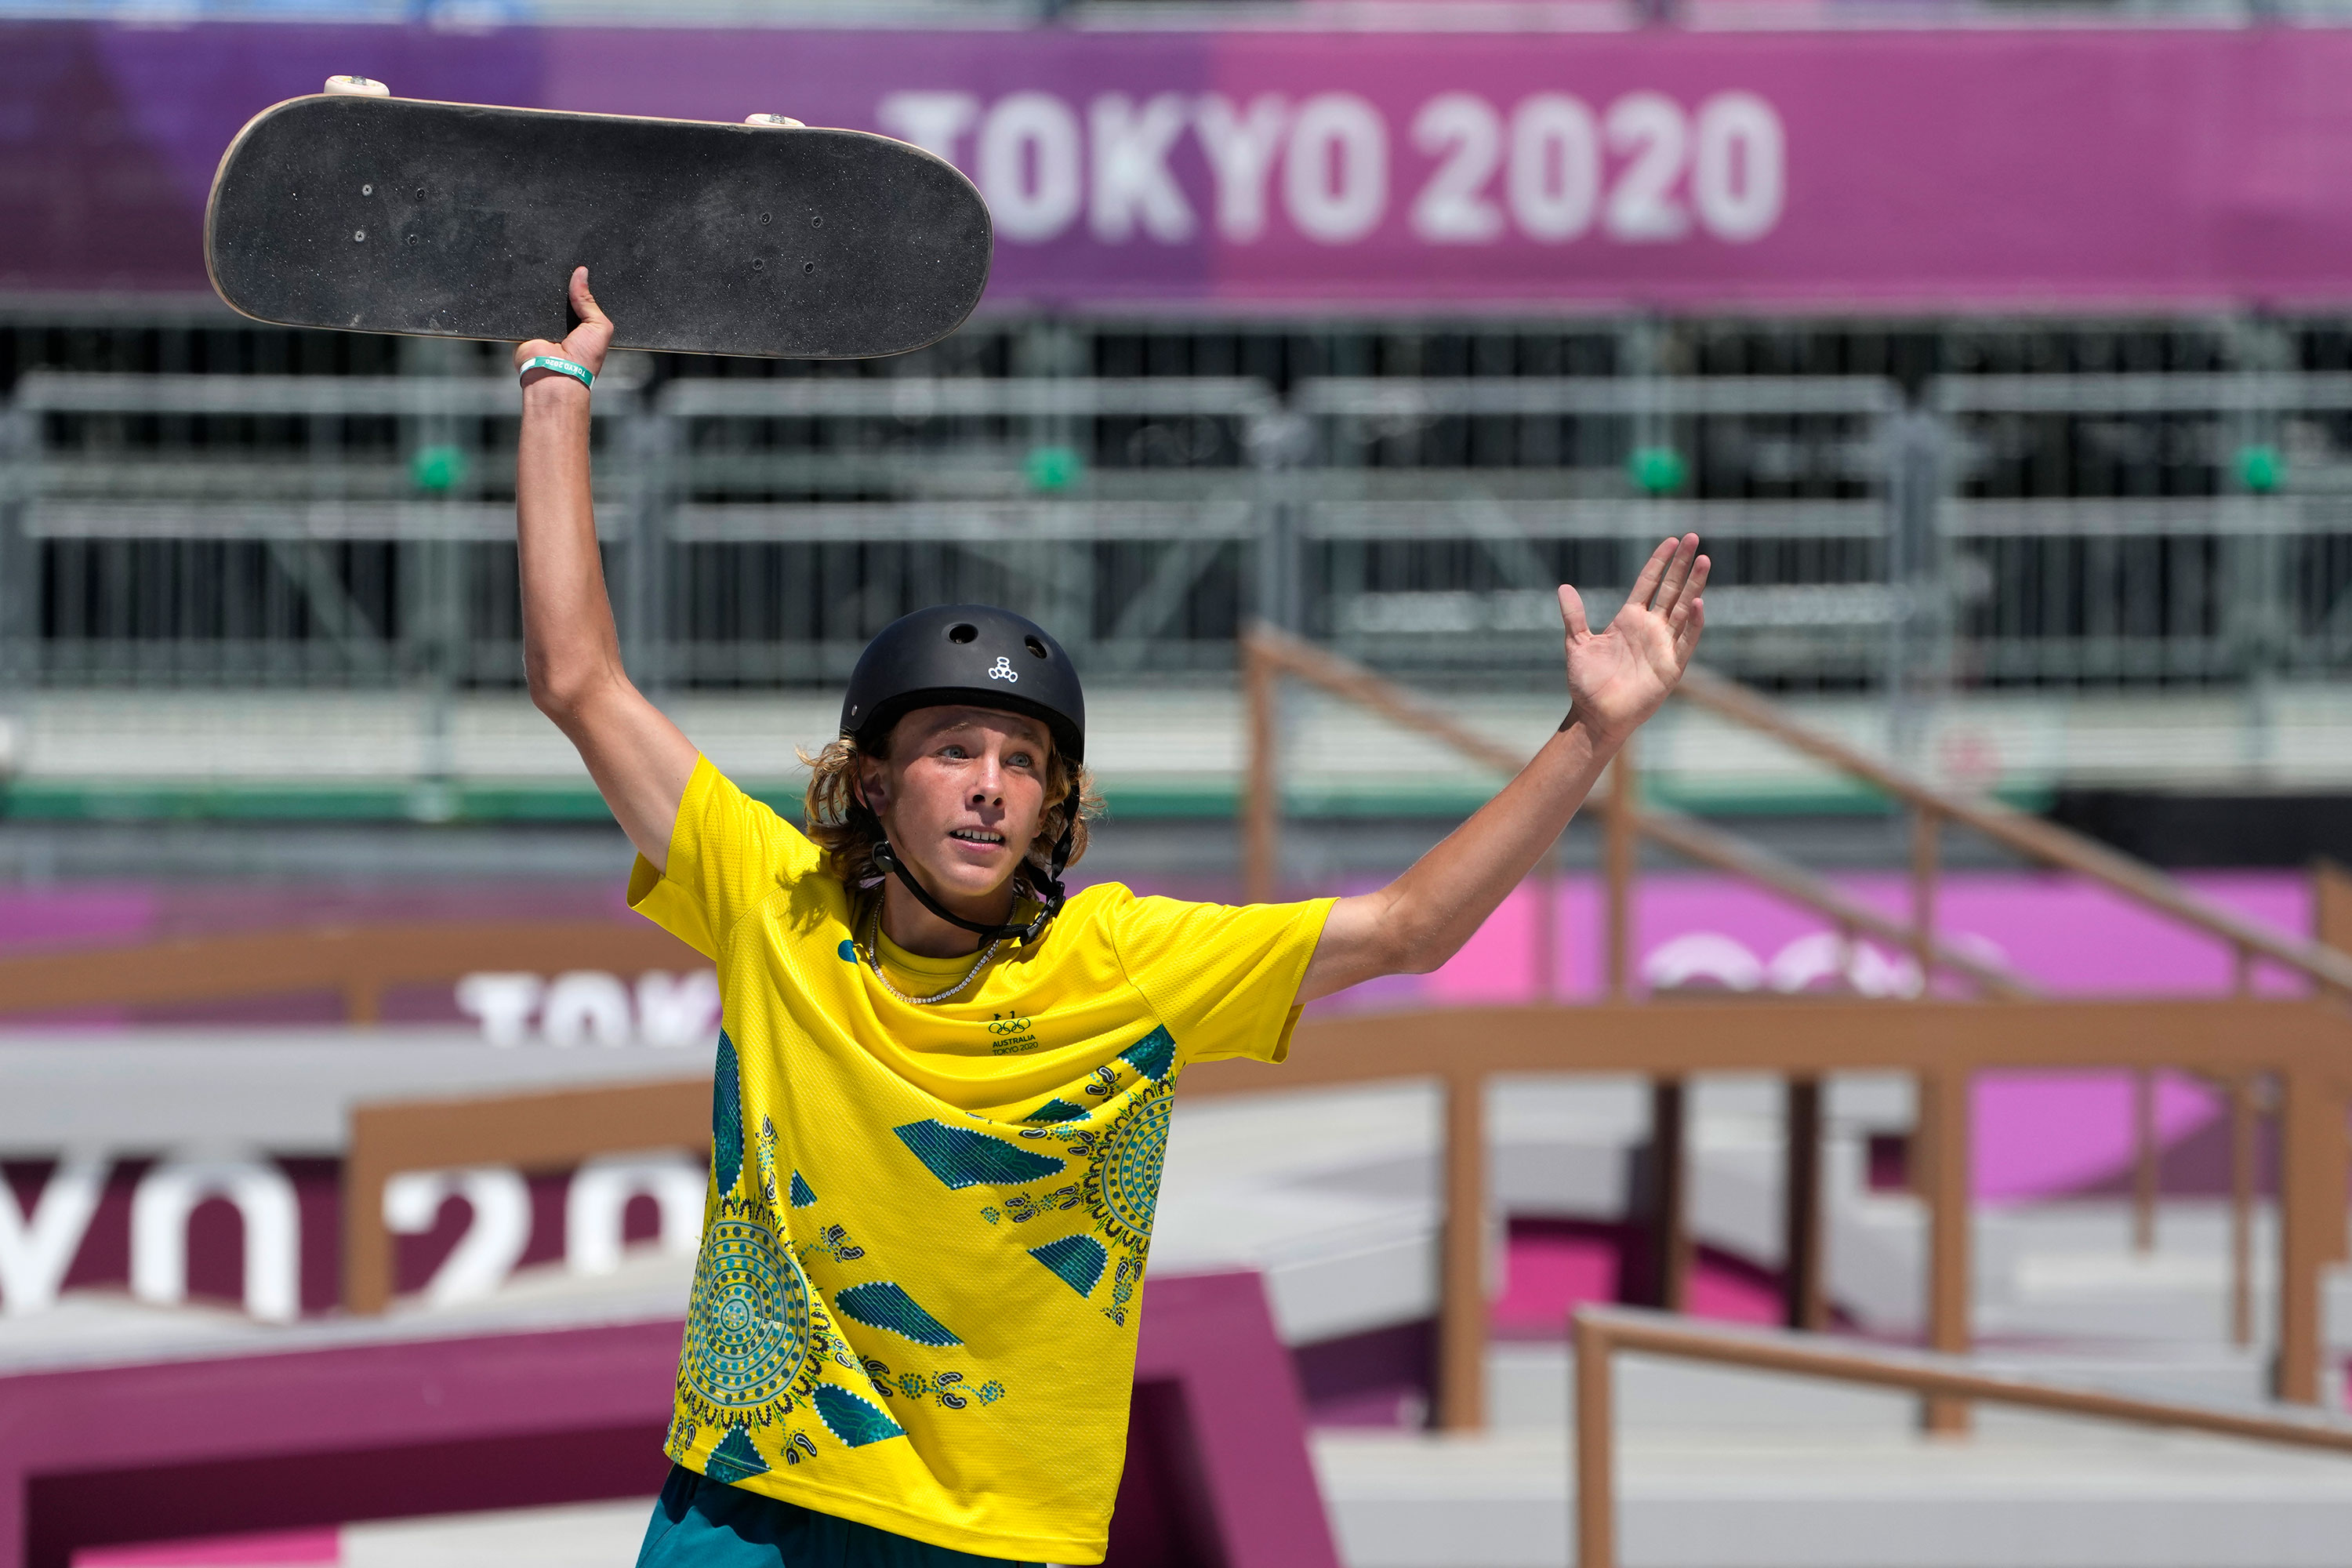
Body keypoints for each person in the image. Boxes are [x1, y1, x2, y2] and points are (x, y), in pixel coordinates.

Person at [513, 267, 1709, 1568]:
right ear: (872, 782)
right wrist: (559, 390)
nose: (988, 787)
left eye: (1022, 763)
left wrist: (1591, 737)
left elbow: (1409, 926)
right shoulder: (772, 901)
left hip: (1000, 1537)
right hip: (751, 1499)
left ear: (1051, 807)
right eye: (953, 750)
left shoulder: (1122, 961)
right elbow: (579, 680)